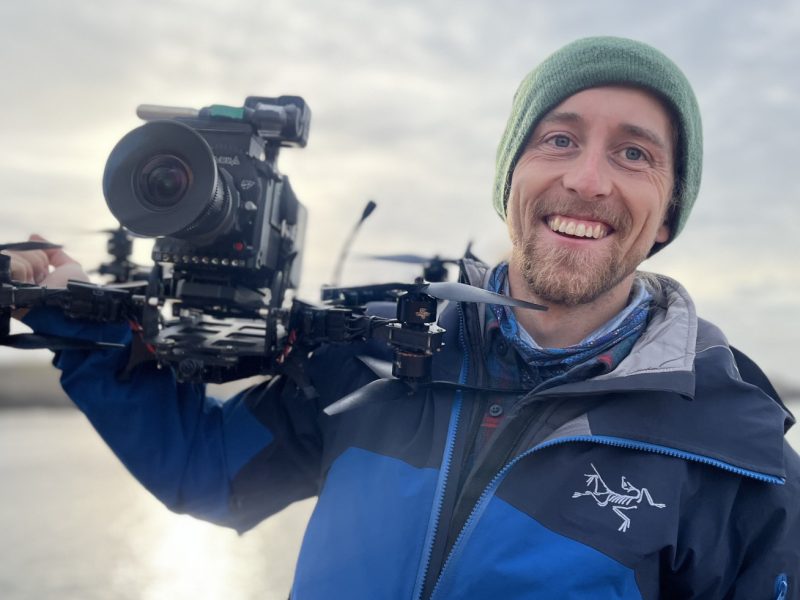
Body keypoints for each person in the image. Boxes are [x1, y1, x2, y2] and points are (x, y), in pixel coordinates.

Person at [6, 36, 799, 599]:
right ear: (511, 179)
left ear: (667, 215)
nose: (588, 180)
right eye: (559, 139)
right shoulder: (382, 353)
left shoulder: (737, 459)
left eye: (634, 154)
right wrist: (91, 326)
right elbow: (207, 473)